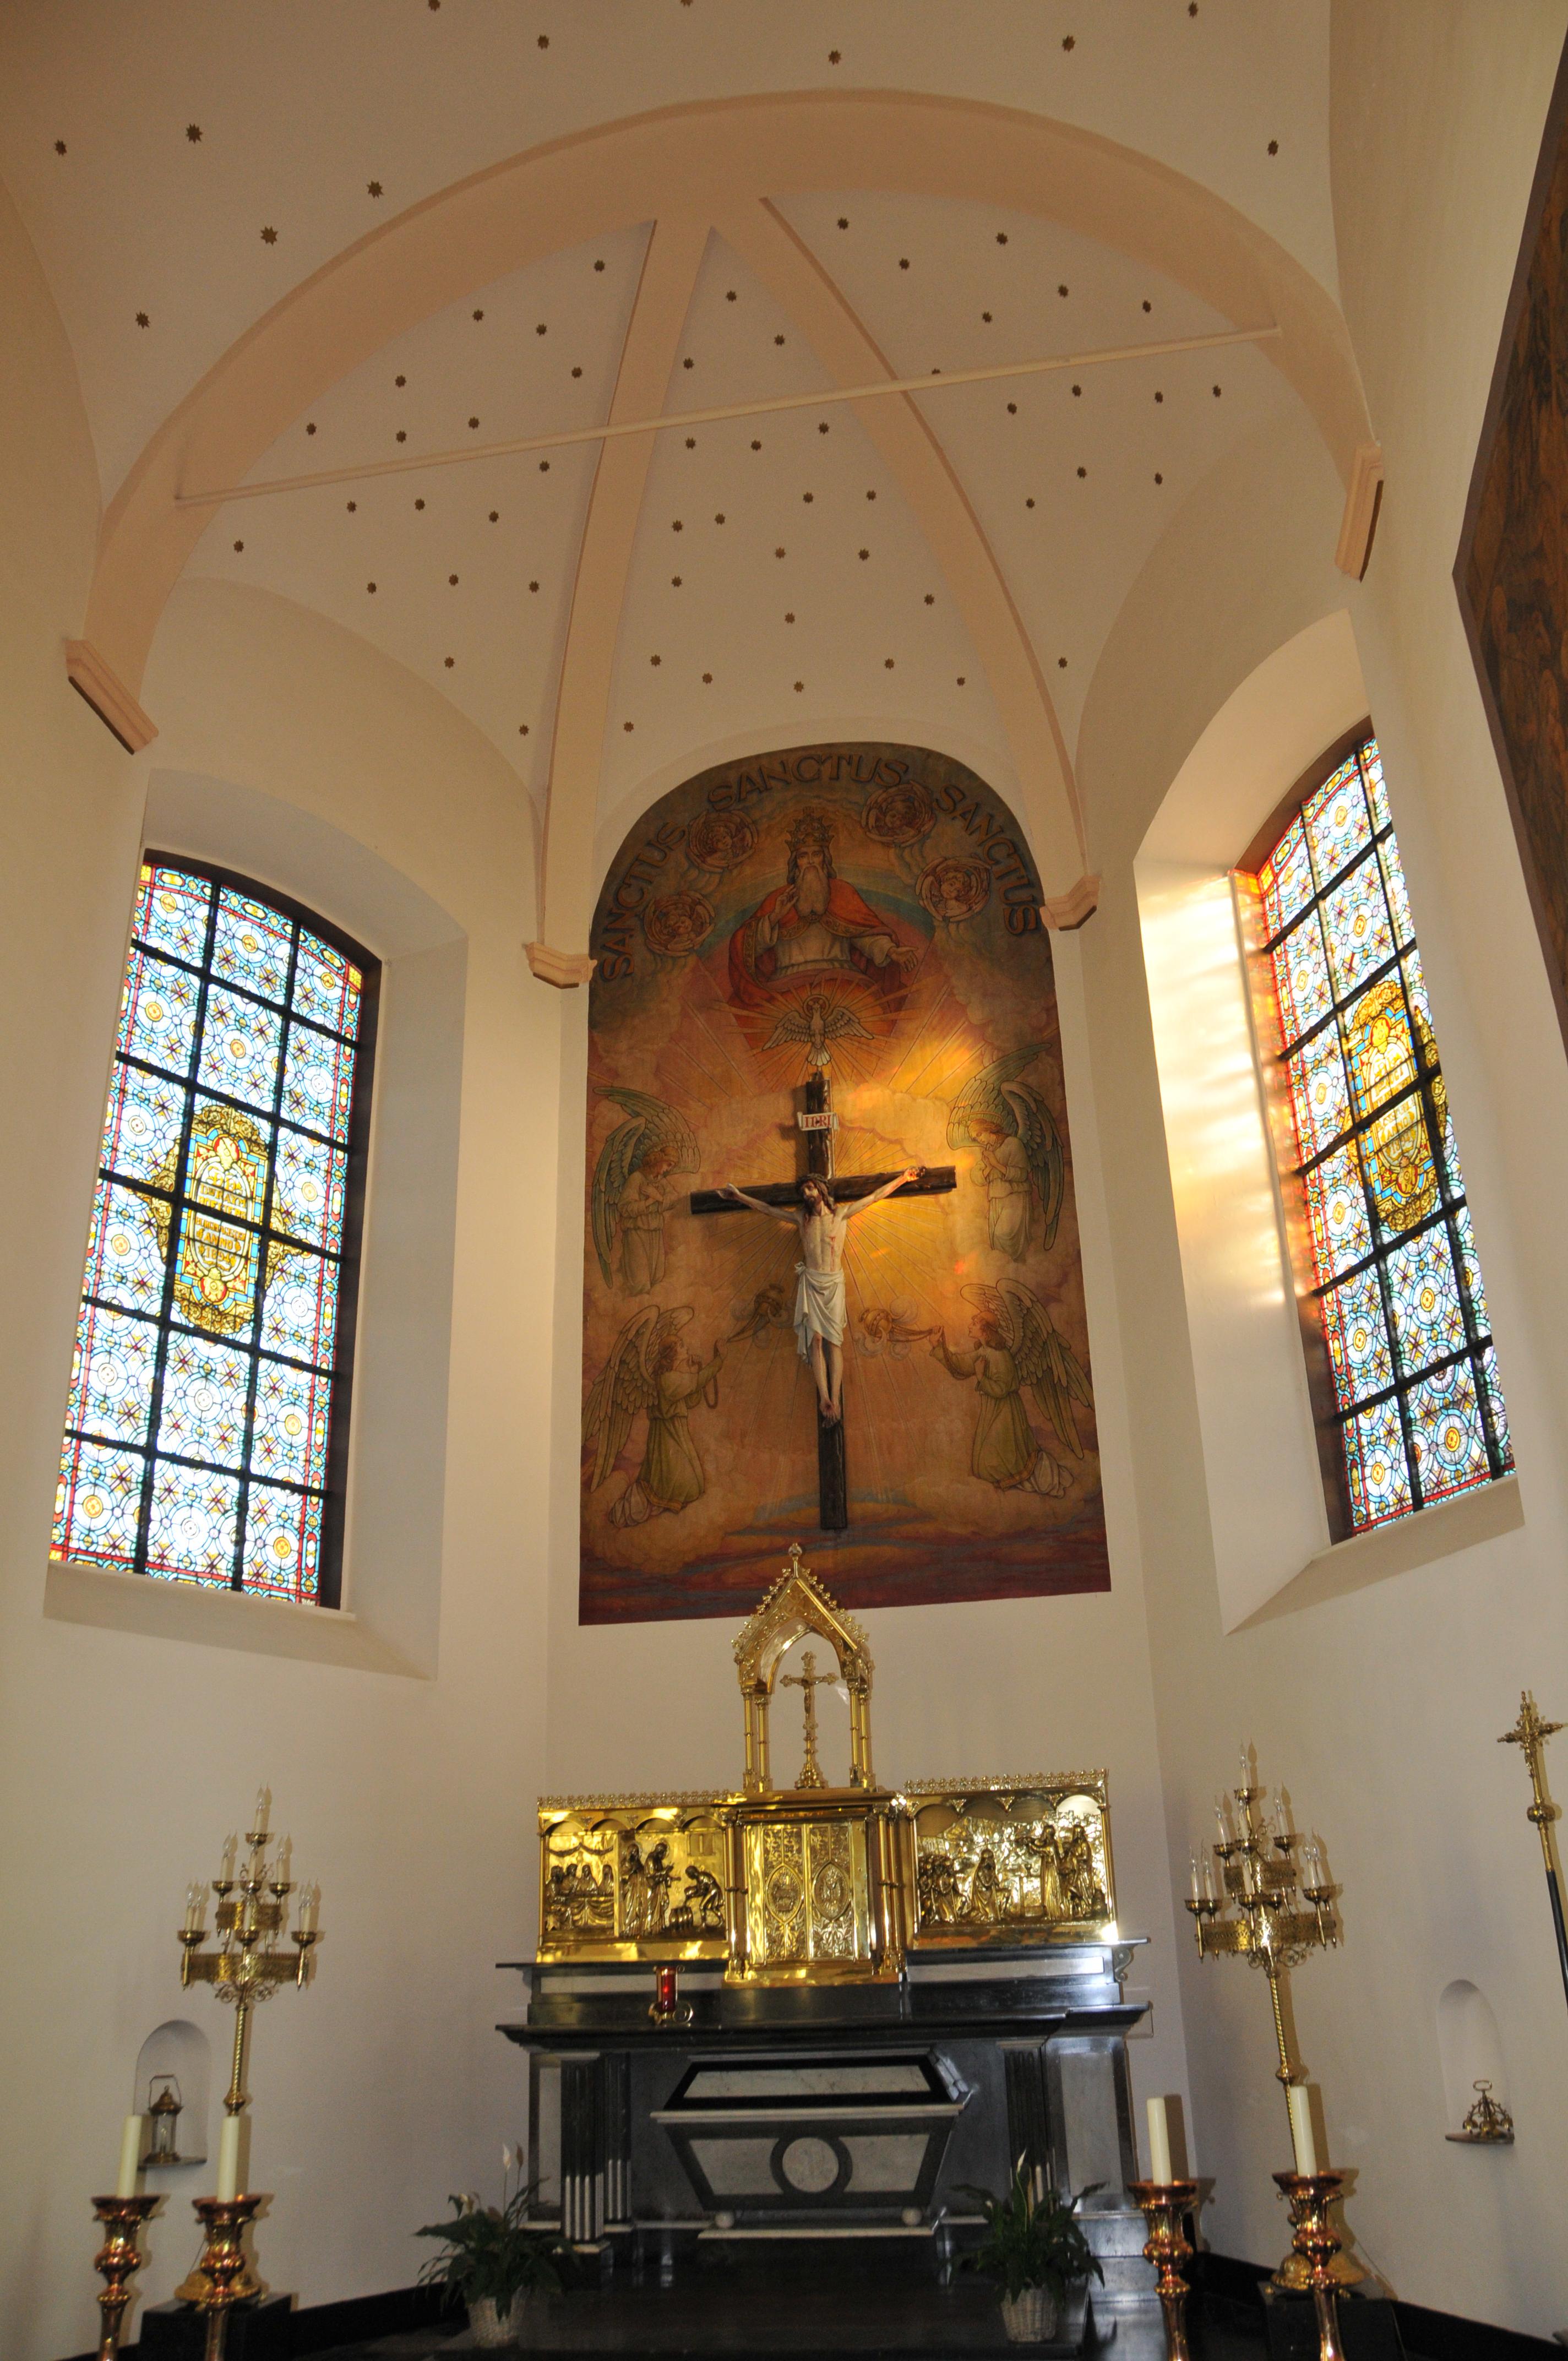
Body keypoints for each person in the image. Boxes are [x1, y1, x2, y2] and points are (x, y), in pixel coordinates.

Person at [719, 1167, 923, 1424]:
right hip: (812, 1282)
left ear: (821, 1189)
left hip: (833, 1283)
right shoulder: (801, 1219)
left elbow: (874, 1197)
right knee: (815, 1339)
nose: (807, 1194)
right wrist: (739, 1197)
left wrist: (903, 1179)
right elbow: (769, 1210)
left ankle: (835, 1398)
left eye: (810, 1188)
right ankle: (824, 1397)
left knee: (834, 1341)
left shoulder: (841, 1214)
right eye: (804, 1191)